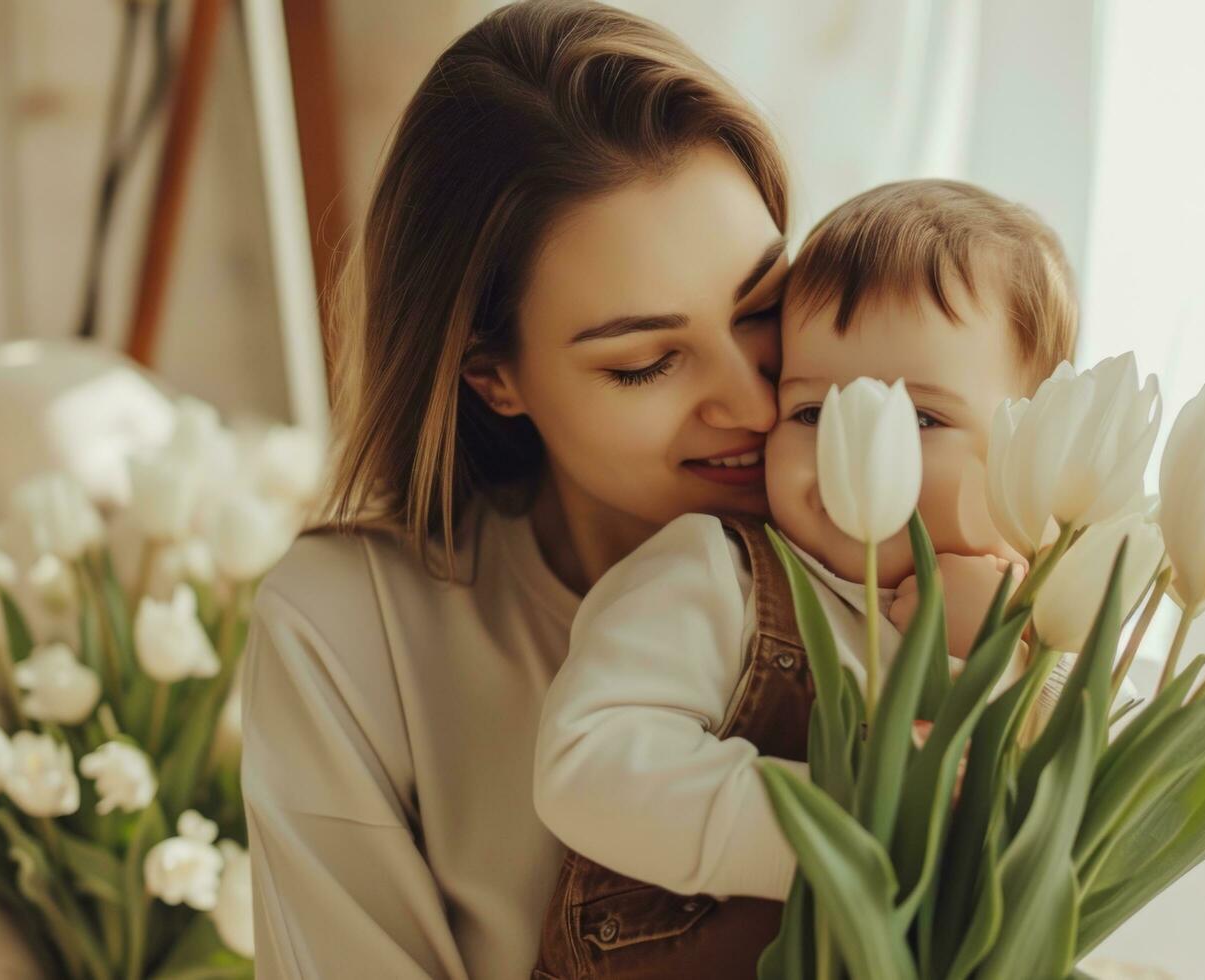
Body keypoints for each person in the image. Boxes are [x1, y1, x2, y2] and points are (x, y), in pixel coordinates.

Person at [239, 2, 794, 976]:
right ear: (491, 372)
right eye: (646, 362)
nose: (751, 402)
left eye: (763, 307)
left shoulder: (905, 571)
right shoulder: (348, 631)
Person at [530, 178, 1081, 978]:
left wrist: (1005, 659)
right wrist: (834, 822)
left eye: (921, 419)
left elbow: (1077, 818)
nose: (851, 448)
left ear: (1032, 449)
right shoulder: (718, 575)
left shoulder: (1048, 615)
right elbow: (586, 763)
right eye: (812, 412)